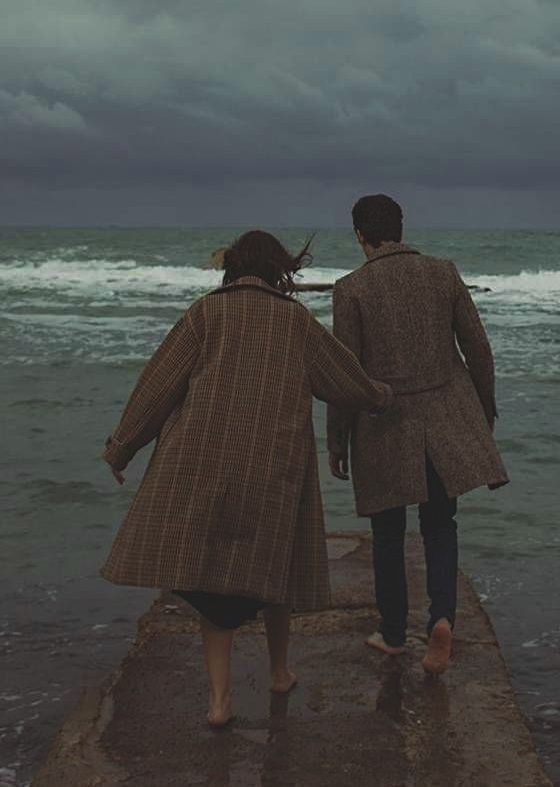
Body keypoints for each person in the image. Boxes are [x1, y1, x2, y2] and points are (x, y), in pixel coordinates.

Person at [101, 230, 392, 727]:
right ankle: (279, 673)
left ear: (232, 268)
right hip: (274, 467)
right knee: (273, 572)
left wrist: (122, 447)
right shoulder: (295, 321)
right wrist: (382, 396)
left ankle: (219, 701)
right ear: (280, 270)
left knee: (213, 586)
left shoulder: (205, 314)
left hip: (202, 463)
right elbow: (343, 381)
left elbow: (157, 387)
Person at [327, 195, 509, 674]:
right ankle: (442, 619)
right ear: (401, 228)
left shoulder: (351, 289)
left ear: (359, 235)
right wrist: (485, 406)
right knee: (440, 524)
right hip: (443, 419)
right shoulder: (442, 272)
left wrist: (336, 440)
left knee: (388, 533)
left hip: (383, 425)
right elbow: (477, 347)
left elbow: (346, 374)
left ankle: (392, 633)